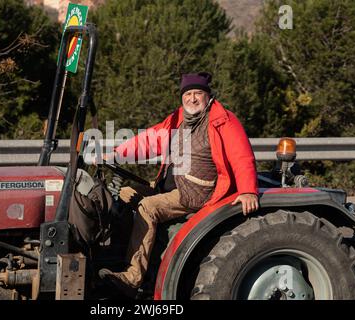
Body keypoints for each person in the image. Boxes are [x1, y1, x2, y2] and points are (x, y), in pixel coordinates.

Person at [98, 72, 259, 296]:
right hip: (171, 185)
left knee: (148, 207)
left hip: (196, 191)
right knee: (125, 193)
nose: (193, 98)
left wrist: (248, 190)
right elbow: (149, 141)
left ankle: (132, 277)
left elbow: (241, 156)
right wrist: (116, 154)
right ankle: (118, 256)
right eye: (188, 94)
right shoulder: (179, 118)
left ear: (208, 96)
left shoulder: (222, 120)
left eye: (198, 93)